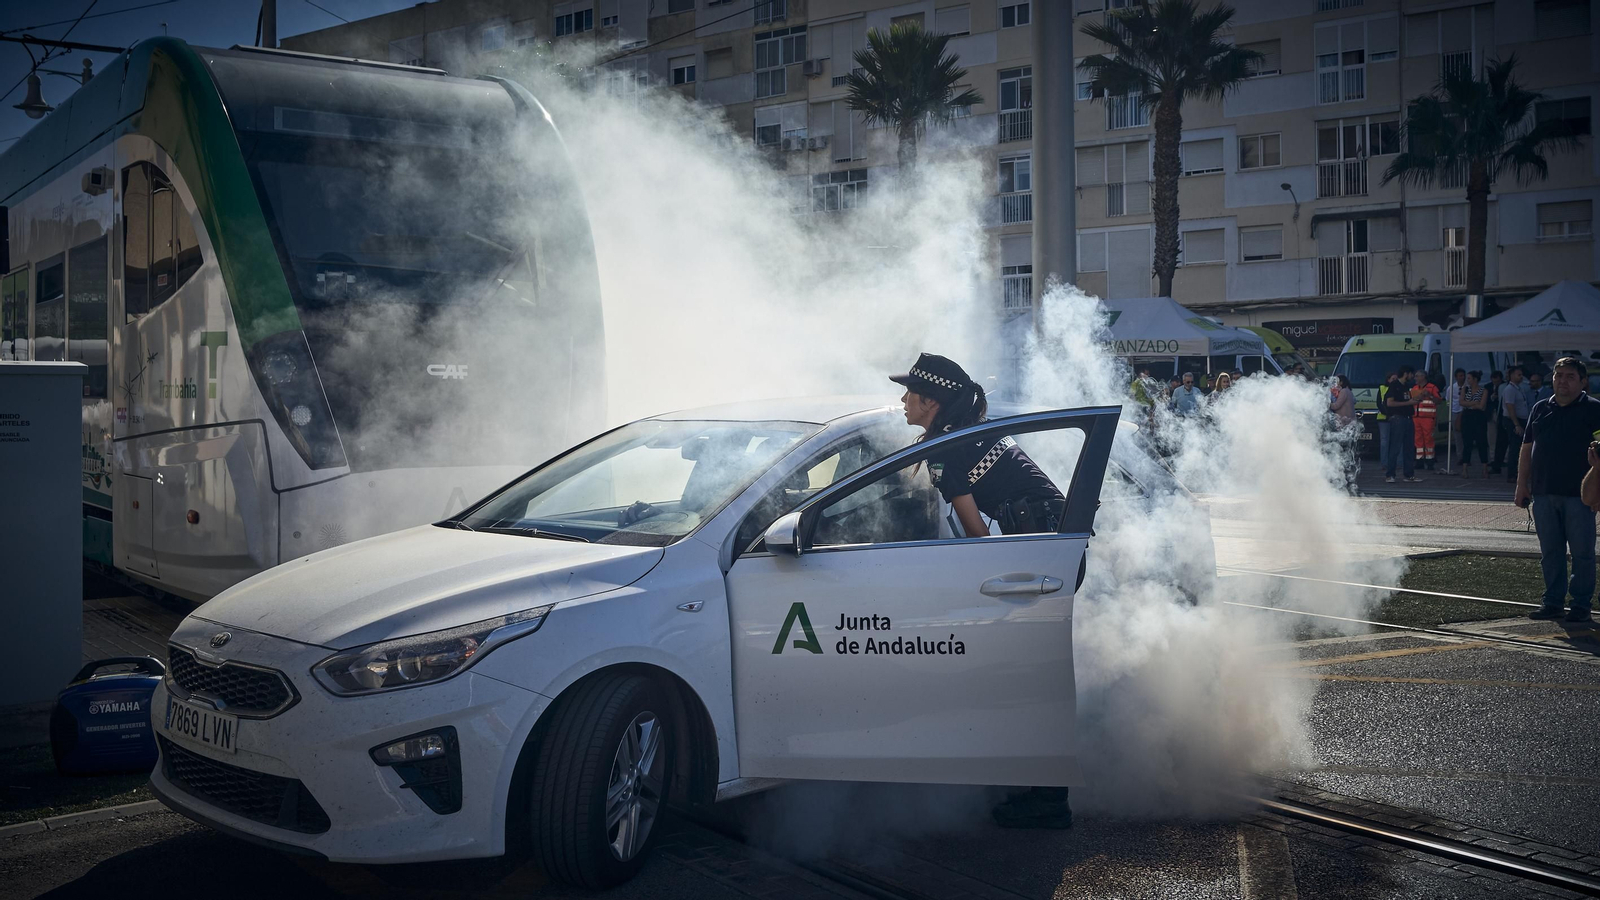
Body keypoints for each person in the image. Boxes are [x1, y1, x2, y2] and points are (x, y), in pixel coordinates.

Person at [889, 352, 1075, 826]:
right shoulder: (964, 435)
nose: (903, 400)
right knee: (1029, 675)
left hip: (1038, 557)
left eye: (909, 392)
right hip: (1053, 546)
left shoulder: (945, 448)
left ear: (930, 401)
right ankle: (1039, 783)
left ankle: (1050, 800)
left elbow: (977, 536)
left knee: (1028, 678)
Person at [1518, 358, 1600, 624]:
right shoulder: (1541, 408)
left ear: (1582, 381)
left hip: (1580, 496)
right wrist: (1521, 485)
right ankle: (1552, 603)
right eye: (1558, 375)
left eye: (1570, 376)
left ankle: (1581, 605)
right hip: (1543, 494)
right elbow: (1526, 448)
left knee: (1582, 553)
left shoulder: (1594, 410)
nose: (1562, 381)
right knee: (1550, 553)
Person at [1384, 366, 1422, 483]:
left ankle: (1409, 474)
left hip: (1408, 418)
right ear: (1406, 374)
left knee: (1409, 448)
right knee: (1395, 447)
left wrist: (1415, 400)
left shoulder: (1406, 387)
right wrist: (1408, 402)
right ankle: (1390, 475)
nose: (1412, 377)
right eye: (1411, 374)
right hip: (1398, 419)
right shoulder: (1394, 385)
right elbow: (1389, 403)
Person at [1496, 366, 1532, 482]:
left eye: (1521, 375)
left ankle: (1518, 472)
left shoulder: (1519, 388)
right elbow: (1510, 407)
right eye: (1518, 375)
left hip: (1521, 419)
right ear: (1511, 376)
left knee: (1518, 447)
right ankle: (1511, 474)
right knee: (1514, 448)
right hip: (1513, 420)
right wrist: (1516, 424)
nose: (1521, 377)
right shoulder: (1510, 389)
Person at [1459, 371, 1491, 478]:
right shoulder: (1465, 389)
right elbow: (1461, 402)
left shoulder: (1483, 390)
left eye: (1469, 378)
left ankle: (1484, 468)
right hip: (1467, 417)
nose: (1467, 380)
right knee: (1467, 443)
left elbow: (1482, 406)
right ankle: (1464, 469)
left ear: (1475, 379)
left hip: (1479, 417)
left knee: (1481, 442)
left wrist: (1470, 404)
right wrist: (1474, 403)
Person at [1330, 374, 1358, 491]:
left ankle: (1344, 477)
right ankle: (1348, 475)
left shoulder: (1344, 392)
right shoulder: (1348, 391)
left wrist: (1324, 402)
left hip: (1344, 424)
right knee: (1348, 451)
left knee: (1343, 451)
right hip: (1349, 424)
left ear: (1341, 382)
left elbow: (1336, 406)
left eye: (1337, 381)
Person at [1412, 369, 1442, 470]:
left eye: (1417, 376)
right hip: (1416, 418)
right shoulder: (1415, 388)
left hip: (1428, 418)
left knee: (1429, 439)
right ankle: (1419, 461)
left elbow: (1438, 401)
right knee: (1418, 440)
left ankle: (1430, 462)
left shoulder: (1432, 387)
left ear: (1423, 377)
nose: (1415, 378)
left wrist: (1429, 395)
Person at [1376, 370, 1400, 469]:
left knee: (1397, 441)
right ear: (1388, 380)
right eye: (1393, 379)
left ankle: (1398, 463)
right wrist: (1388, 413)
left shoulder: (1399, 388)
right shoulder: (1382, 388)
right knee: (1384, 442)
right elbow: (1379, 403)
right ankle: (1384, 464)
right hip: (1383, 418)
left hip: (1396, 418)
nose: (1394, 380)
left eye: (1396, 379)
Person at [1445, 368, 1467, 469]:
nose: (1462, 377)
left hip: (1466, 412)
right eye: (1460, 376)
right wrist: (1451, 409)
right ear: (1456, 377)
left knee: (1466, 435)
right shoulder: (1451, 388)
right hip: (1455, 412)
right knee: (1457, 436)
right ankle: (1460, 457)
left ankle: (1467, 457)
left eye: (1463, 375)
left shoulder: (1468, 387)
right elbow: (1448, 400)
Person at [1487, 370, 1505, 464]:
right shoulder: (1488, 387)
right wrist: (1491, 398)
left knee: (1503, 437)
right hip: (1491, 414)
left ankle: (1505, 458)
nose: (1495, 383)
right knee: (1492, 437)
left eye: (1497, 381)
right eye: (1494, 381)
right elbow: (1485, 401)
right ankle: (1493, 458)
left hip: (1502, 414)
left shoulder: (1505, 387)